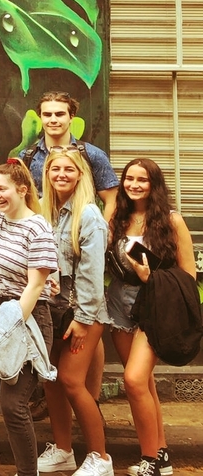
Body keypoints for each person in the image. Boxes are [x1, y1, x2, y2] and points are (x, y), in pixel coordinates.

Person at [107, 159, 194, 476]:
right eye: (129, 178)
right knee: (142, 384)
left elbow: (188, 274)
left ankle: (150, 461)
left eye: (142, 180)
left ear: (154, 184)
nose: (134, 184)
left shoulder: (172, 221)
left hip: (154, 306)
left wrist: (151, 276)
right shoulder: (117, 216)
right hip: (118, 303)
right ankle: (162, 454)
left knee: (132, 379)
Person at [37, 148, 112, 476]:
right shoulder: (45, 212)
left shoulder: (90, 215)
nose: (61, 175)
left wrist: (83, 320)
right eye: (55, 169)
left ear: (81, 174)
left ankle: (100, 457)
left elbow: (92, 275)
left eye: (69, 169)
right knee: (51, 380)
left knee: (70, 380)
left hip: (83, 313)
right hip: (51, 310)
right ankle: (64, 451)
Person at [0, 160, 58, 476]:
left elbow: (37, 284)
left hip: (26, 320)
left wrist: (9, 327)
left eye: (3, 189)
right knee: (7, 404)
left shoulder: (38, 228)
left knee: (13, 405)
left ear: (22, 189)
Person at [19, 91, 118, 220]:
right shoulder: (27, 157)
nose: (53, 120)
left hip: (80, 234)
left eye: (60, 114)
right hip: (39, 235)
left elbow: (112, 199)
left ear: (71, 116)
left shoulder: (92, 155)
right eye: (47, 115)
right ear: (40, 117)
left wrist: (104, 231)